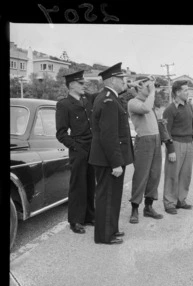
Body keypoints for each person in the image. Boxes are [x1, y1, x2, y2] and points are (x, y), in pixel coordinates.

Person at [88, 62, 134, 245]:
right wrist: (116, 162)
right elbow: (109, 135)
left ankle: (111, 229)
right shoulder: (107, 100)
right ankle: (105, 236)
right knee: (107, 197)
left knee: (113, 196)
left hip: (110, 158)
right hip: (108, 160)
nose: (124, 82)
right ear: (113, 80)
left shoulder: (110, 98)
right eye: (122, 79)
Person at [55, 70, 95, 234]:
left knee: (90, 183)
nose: (84, 85)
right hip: (78, 148)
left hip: (92, 147)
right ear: (71, 85)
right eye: (80, 83)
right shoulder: (64, 104)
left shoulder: (87, 100)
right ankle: (76, 220)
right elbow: (61, 133)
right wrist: (76, 147)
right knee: (78, 185)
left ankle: (89, 216)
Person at [127, 76, 163, 224]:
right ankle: (134, 209)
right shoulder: (133, 102)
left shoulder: (150, 101)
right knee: (141, 176)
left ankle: (148, 207)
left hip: (156, 140)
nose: (150, 88)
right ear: (139, 87)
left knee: (154, 175)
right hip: (144, 141)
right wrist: (152, 91)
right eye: (147, 86)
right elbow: (146, 109)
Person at [163, 80, 193, 215]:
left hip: (189, 144)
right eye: (186, 90)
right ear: (177, 92)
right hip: (176, 144)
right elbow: (165, 131)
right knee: (172, 174)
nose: (188, 92)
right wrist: (170, 149)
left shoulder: (189, 106)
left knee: (185, 174)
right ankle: (170, 202)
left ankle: (181, 200)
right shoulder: (170, 110)